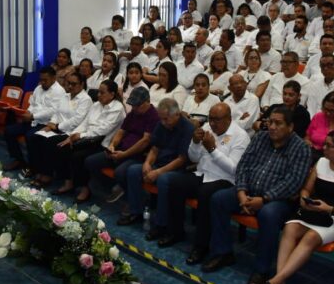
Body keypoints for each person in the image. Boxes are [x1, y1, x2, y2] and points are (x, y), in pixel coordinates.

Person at [202, 107, 311, 284]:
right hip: (248, 191)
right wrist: (242, 192)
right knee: (218, 199)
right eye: (270, 122)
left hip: (279, 200)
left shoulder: (301, 148)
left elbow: (293, 182)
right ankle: (223, 252)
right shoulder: (260, 138)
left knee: (268, 215)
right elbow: (243, 165)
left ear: (290, 127)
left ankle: (262, 269)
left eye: (278, 123)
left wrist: (265, 199)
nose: (272, 127)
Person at [265, 130, 334, 284]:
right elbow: (307, 188)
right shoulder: (321, 162)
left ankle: (276, 280)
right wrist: (305, 199)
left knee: (310, 238)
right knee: (289, 228)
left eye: (329, 145)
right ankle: (280, 282)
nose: (323, 148)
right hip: (313, 212)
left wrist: (331, 209)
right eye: (324, 144)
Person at [170, 103, 250, 260]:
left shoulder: (241, 136)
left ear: (229, 119)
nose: (212, 123)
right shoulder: (207, 127)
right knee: (175, 183)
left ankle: (201, 246)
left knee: (205, 194)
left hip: (225, 180)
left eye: (217, 120)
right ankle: (176, 232)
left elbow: (234, 169)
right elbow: (193, 158)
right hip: (202, 174)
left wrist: (213, 150)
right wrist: (194, 142)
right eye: (210, 119)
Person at [118, 98, 194, 226]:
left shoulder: (187, 128)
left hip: (176, 169)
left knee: (163, 180)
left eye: (166, 119)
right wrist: (147, 163)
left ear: (177, 114)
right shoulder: (161, 125)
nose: (163, 122)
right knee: (133, 171)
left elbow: (181, 159)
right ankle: (135, 211)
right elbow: (154, 148)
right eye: (162, 119)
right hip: (159, 163)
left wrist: (157, 172)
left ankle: (161, 223)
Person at [53, 80, 126, 202]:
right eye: (98, 92)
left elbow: (103, 130)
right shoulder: (96, 105)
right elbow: (85, 123)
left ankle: (85, 189)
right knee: (63, 146)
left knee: (78, 156)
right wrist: (71, 136)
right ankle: (68, 182)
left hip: (103, 143)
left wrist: (80, 136)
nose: (98, 95)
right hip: (88, 139)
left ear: (112, 94)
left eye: (102, 93)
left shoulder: (117, 109)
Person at [85, 86, 159, 204]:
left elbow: (145, 141)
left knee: (120, 172)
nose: (134, 108)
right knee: (91, 161)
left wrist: (124, 154)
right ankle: (111, 188)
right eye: (133, 105)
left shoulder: (153, 116)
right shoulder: (133, 113)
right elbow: (121, 131)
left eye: (137, 105)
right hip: (120, 150)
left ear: (147, 102)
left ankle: (126, 194)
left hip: (137, 155)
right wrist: (112, 146)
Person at [25, 71, 93, 187]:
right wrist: (51, 124)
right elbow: (57, 112)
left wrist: (57, 127)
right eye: (68, 83)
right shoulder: (65, 96)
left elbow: (76, 120)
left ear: (81, 84)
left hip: (70, 132)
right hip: (56, 127)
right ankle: (38, 170)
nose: (70, 86)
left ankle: (47, 175)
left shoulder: (85, 99)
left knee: (49, 143)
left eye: (74, 84)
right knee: (35, 137)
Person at [3, 66, 67, 171]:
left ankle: (34, 167)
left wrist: (33, 116)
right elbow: (32, 104)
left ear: (54, 78)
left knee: (30, 136)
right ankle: (18, 160)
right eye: (40, 79)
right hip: (33, 121)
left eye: (45, 80)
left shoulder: (59, 91)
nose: (42, 82)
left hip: (47, 124)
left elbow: (53, 111)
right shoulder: (38, 88)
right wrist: (28, 111)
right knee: (9, 130)